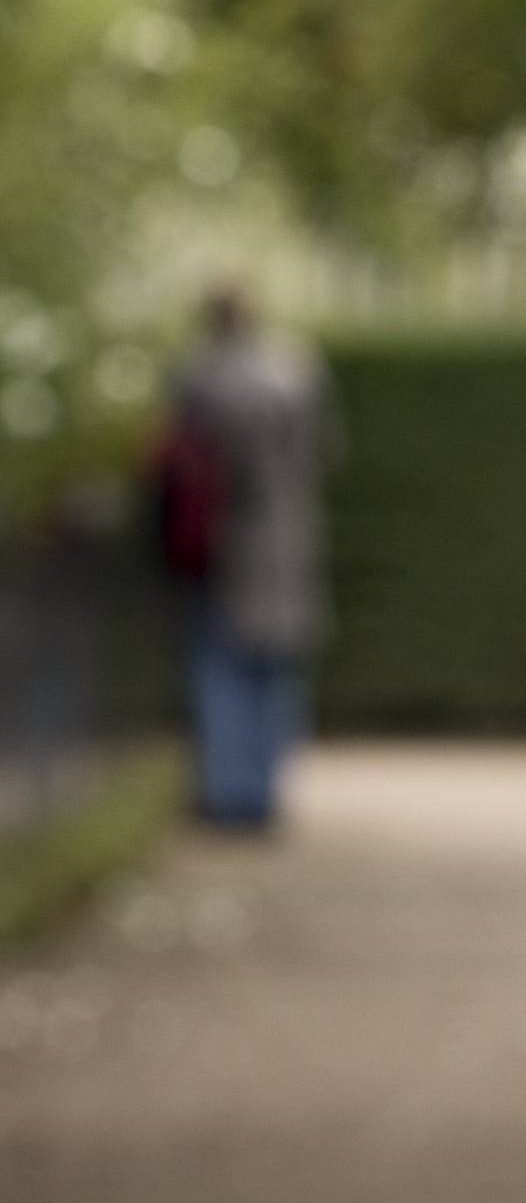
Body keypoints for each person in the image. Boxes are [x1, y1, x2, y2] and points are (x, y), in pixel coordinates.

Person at [157, 286, 336, 831]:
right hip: (291, 541)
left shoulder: (201, 375)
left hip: (226, 544)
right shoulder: (298, 368)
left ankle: (229, 793)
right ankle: (262, 791)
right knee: (274, 671)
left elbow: (179, 460)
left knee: (223, 664)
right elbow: (326, 452)